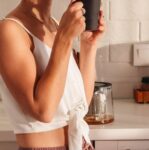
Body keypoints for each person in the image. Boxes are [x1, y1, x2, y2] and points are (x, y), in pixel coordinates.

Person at [0, 0, 105, 149]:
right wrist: (64, 38)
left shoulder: (55, 25)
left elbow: (80, 105)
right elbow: (43, 111)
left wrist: (88, 44)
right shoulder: (9, 30)